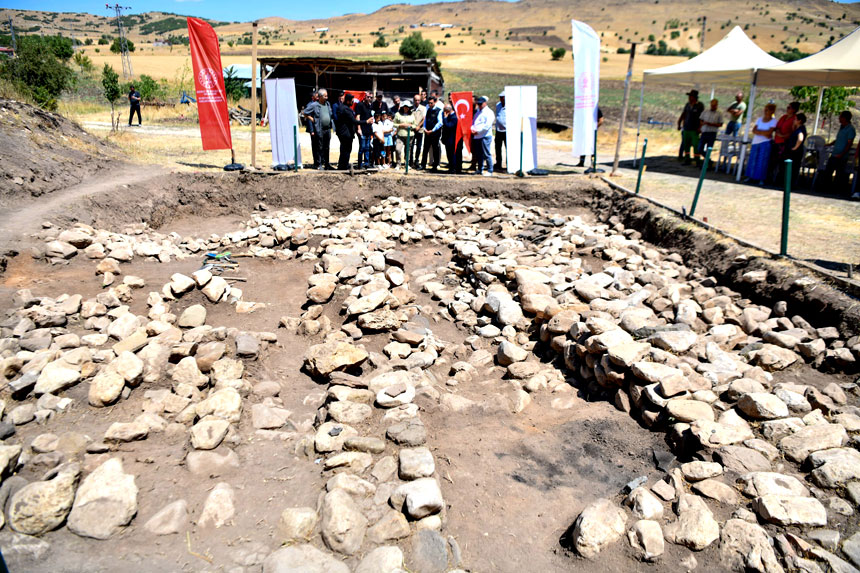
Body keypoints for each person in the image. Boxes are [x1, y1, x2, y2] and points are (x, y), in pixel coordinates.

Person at [819, 110, 856, 194]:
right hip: (835, 153)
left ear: (844, 118)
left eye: (840, 117)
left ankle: (836, 190)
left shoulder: (850, 129)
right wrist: (830, 144)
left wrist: (842, 154)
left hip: (841, 155)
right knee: (828, 171)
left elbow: (849, 143)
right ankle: (826, 187)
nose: (839, 118)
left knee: (839, 173)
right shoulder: (841, 127)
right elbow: (839, 139)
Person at [743, 103, 777, 186]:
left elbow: (769, 133)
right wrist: (763, 132)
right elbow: (754, 130)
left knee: (762, 161)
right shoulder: (759, 119)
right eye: (765, 109)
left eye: (767, 110)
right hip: (755, 142)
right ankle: (750, 176)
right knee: (752, 160)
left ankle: (761, 178)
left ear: (772, 111)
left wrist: (760, 132)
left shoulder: (773, 121)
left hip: (765, 143)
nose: (765, 111)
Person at [301, 88, 334, 170]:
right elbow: (305, 113)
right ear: (320, 96)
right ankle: (318, 164)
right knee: (319, 147)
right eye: (325, 96)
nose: (327, 97)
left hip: (328, 129)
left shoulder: (328, 104)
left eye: (327, 96)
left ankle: (327, 164)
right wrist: (313, 120)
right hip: (320, 129)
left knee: (327, 147)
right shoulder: (314, 105)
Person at [769, 101, 800, 183]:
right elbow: (777, 126)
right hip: (777, 141)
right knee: (773, 161)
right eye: (787, 107)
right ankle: (770, 178)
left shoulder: (794, 119)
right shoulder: (783, 117)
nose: (787, 109)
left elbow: (793, 132)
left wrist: (783, 136)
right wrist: (778, 132)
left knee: (782, 163)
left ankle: (779, 180)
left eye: (789, 108)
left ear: (794, 110)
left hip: (784, 143)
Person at [678, 89, 704, 165]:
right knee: (686, 144)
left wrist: (700, 127)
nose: (689, 98)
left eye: (691, 96)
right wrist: (679, 123)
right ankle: (687, 159)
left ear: (695, 97)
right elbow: (683, 114)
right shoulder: (687, 105)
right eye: (689, 96)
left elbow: (702, 117)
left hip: (695, 129)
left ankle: (697, 159)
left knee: (696, 145)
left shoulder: (700, 105)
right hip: (686, 128)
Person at [335, 93, 361, 170]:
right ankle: (343, 166)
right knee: (345, 150)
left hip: (346, 133)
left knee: (345, 150)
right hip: (345, 133)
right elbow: (354, 121)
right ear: (348, 101)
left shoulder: (345, 108)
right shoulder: (345, 109)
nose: (353, 102)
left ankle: (343, 165)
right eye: (352, 101)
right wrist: (366, 121)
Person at [471, 95, 495, 176]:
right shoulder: (478, 112)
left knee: (486, 153)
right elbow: (473, 122)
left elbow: (487, 126)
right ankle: (480, 169)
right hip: (477, 136)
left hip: (485, 136)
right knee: (479, 154)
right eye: (479, 104)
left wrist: (477, 131)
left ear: (485, 103)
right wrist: (472, 129)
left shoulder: (489, 112)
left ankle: (490, 170)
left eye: (481, 104)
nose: (480, 105)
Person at [782, 112, 807, 184]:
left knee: (794, 168)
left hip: (795, 152)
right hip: (796, 151)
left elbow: (800, 138)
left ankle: (791, 184)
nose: (794, 120)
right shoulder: (798, 128)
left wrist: (795, 147)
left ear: (799, 121)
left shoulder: (800, 130)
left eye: (795, 119)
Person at [421, 93, 443, 172]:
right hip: (427, 132)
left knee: (435, 149)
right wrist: (424, 128)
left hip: (435, 133)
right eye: (429, 103)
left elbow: (440, 123)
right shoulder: (428, 110)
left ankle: (435, 165)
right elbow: (425, 120)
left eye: (431, 103)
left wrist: (432, 130)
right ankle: (423, 164)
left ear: (434, 102)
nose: (430, 104)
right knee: (425, 148)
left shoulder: (439, 111)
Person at [698, 99, 724, 163]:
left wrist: (712, 124)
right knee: (699, 148)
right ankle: (708, 161)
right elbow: (700, 119)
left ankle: (706, 164)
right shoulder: (705, 111)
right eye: (712, 105)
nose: (713, 106)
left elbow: (720, 124)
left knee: (708, 149)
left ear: (717, 105)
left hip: (712, 133)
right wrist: (701, 125)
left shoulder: (719, 113)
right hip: (705, 132)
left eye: (715, 105)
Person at [393, 101, 417, 169]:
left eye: (408, 107)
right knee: (398, 149)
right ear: (403, 107)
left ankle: (407, 164)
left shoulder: (412, 114)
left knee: (408, 150)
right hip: (400, 135)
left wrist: (410, 126)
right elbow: (394, 124)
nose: (406, 108)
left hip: (410, 135)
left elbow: (415, 124)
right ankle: (398, 164)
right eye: (405, 107)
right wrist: (400, 125)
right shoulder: (398, 114)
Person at [354, 92, 373, 169]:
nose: (370, 99)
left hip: (368, 130)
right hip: (362, 129)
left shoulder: (370, 106)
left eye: (371, 97)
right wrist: (359, 128)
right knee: (362, 147)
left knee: (367, 148)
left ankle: (366, 163)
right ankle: (359, 164)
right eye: (368, 97)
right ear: (365, 97)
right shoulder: (360, 105)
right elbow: (357, 117)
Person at [442, 103, 461, 173]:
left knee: (452, 154)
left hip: (452, 139)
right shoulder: (449, 116)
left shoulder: (454, 117)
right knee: (449, 154)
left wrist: (445, 118)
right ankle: (451, 167)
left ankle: (454, 168)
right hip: (448, 139)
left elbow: (448, 126)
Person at [303, 92, 320, 168]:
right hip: (313, 129)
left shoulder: (319, 104)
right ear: (313, 97)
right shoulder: (310, 105)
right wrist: (311, 130)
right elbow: (309, 119)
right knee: (315, 146)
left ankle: (320, 161)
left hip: (319, 128)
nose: (318, 97)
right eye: (316, 96)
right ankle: (316, 162)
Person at [410, 94, 426, 169]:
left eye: (418, 100)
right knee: (411, 146)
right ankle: (411, 160)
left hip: (420, 130)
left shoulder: (423, 108)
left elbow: (424, 118)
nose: (417, 101)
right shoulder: (411, 109)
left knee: (419, 147)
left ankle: (417, 160)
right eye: (415, 100)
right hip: (412, 130)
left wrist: (418, 126)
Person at [495, 91, 507, 171]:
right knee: (498, 148)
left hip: (507, 131)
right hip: (498, 130)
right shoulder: (498, 105)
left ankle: (509, 164)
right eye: (500, 97)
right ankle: (498, 163)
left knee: (508, 148)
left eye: (502, 97)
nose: (501, 99)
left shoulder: (511, 106)